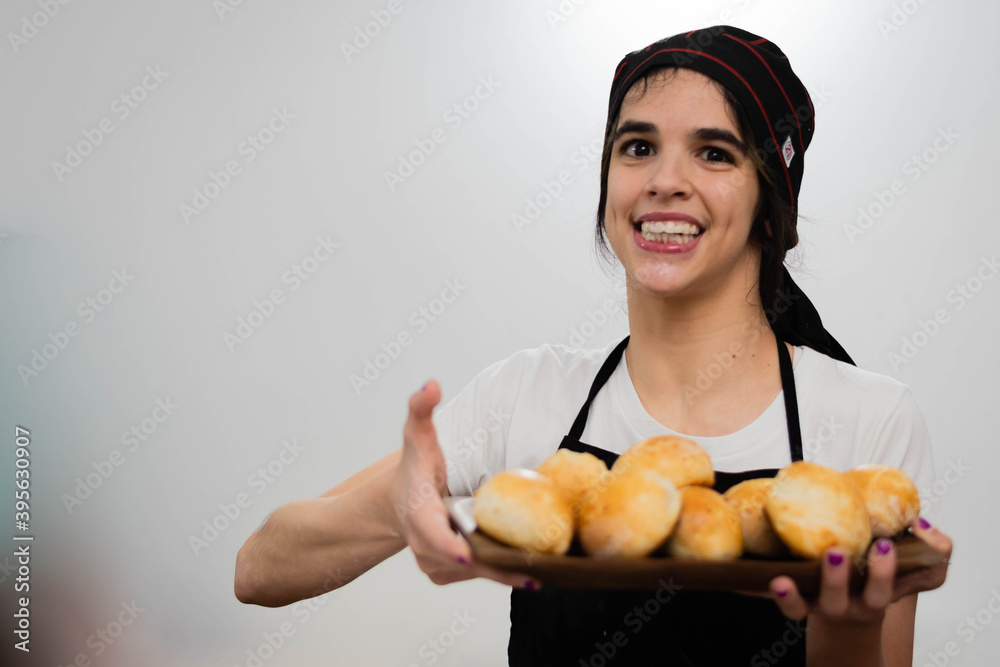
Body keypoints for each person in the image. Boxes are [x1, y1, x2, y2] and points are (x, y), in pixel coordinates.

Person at [235, 25, 952, 666]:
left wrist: (848, 625)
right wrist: (404, 499)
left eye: (714, 152)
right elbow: (259, 569)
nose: (665, 181)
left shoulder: (867, 421)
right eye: (637, 146)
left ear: (771, 202)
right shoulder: (529, 395)